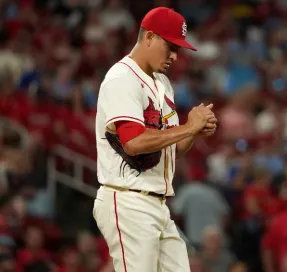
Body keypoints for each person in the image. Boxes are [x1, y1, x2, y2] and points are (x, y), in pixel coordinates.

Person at [92, 6, 218, 272]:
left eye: (178, 49)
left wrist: (194, 130)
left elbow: (169, 151)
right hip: (128, 200)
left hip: (157, 204)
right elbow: (134, 142)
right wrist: (187, 127)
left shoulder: (162, 83)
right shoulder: (122, 78)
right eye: (170, 46)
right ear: (149, 37)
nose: (175, 55)